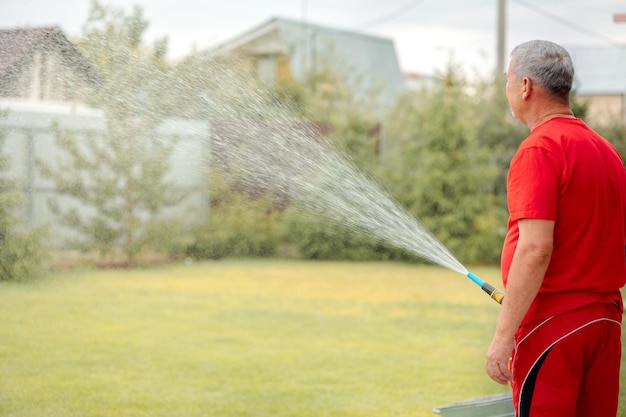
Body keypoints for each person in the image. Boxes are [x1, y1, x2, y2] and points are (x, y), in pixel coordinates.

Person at [485, 40, 626, 417]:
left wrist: (502, 337)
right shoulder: (606, 151)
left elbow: (535, 249)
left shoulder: (540, 149)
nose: (508, 90)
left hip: (554, 328)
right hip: (604, 324)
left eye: (508, 80)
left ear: (526, 86)